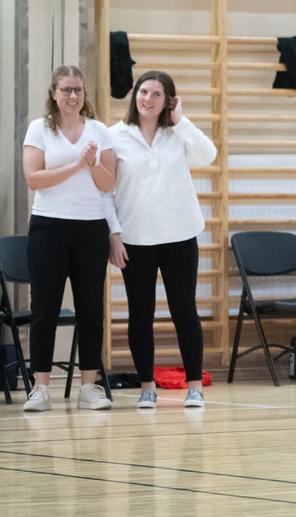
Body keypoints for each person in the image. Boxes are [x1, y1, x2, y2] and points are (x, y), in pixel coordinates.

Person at [106, 71, 217, 409]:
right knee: (140, 314)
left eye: (156, 94)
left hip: (179, 235)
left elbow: (207, 155)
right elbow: (106, 192)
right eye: (143, 92)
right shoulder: (115, 136)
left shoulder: (178, 134)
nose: (148, 99)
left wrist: (180, 119)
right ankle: (146, 387)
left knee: (185, 311)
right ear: (134, 95)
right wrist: (114, 234)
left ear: (168, 100)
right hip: (135, 238)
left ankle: (194, 385)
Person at [21, 65, 116, 411]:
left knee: (91, 308)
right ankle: (40, 387)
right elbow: (34, 178)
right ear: (54, 94)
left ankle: (89, 385)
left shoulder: (99, 130)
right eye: (66, 90)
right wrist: (76, 166)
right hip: (48, 227)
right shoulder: (40, 128)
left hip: (90, 228)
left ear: (84, 94)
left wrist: (91, 165)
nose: (73, 96)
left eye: (78, 90)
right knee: (44, 308)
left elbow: (109, 183)